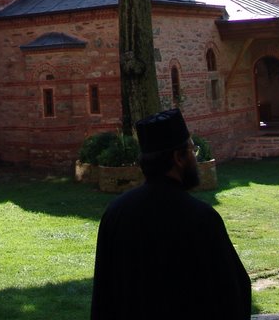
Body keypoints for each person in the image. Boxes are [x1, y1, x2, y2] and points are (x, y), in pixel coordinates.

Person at [90, 108, 251, 319]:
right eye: (192, 150)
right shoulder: (201, 218)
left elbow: (103, 296)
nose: (195, 157)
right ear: (179, 158)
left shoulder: (115, 213)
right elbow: (233, 293)